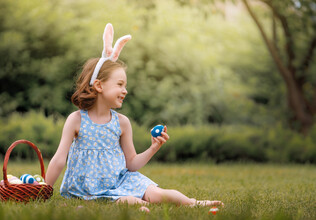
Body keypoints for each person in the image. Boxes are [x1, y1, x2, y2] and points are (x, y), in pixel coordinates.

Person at [45, 23, 223, 208]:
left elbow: (131, 164)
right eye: (120, 84)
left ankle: (193, 203)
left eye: (125, 85)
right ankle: (137, 206)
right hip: (89, 188)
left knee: (156, 193)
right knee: (128, 200)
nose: (125, 90)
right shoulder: (77, 120)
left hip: (121, 180)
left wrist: (153, 147)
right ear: (99, 86)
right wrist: (45, 189)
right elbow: (59, 159)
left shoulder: (122, 123)